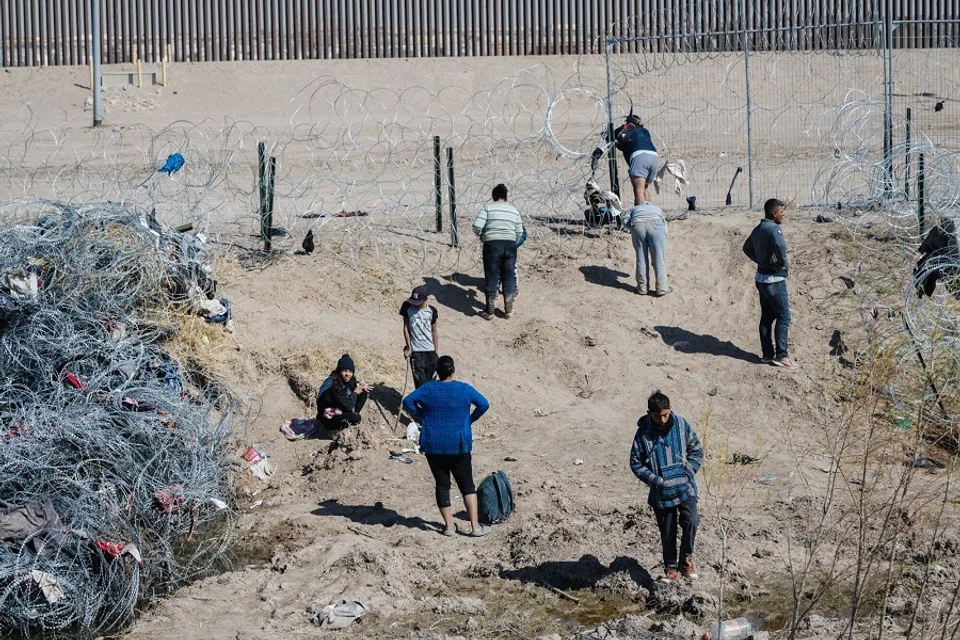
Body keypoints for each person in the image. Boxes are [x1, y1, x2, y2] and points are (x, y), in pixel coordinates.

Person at [402, 356, 491, 537]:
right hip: (458, 444)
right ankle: (475, 527)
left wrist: (423, 416)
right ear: (453, 370)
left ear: (437, 371)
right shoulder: (464, 389)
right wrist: (468, 420)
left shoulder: (428, 388)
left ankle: (449, 527)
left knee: (442, 484)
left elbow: (407, 401)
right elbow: (484, 404)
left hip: (433, 444)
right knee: (467, 485)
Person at [629, 390, 703, 582]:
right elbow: (636, 463)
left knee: (691, 521)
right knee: (668, 532)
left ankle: (686, 562)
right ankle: (671, 569)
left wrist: (689, 471)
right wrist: (656, 480)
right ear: (649, 414)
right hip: (661, 493)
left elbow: (696, 449)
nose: (662, 420)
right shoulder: (643, 433)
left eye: (665, 415)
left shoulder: (681, 424)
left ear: (670, 411)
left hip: (686, 487)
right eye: (657, 416)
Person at [743, 198, 793, 367]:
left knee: (767, 317)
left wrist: (760, 261)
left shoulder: (758, 229)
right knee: (784, 317)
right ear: (774, 213)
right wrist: (780, 264)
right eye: (781, 212)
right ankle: (782, 355)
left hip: (761, 279)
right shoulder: (774, 229)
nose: (783, 215)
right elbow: (780, 248)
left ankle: (766, 354)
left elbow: (746, 248)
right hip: (774, 280)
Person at [472, 183, 524, 320]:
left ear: (493, 196)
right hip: (510, 245)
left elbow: (477, 226)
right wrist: (512, 240)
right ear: (506, 197)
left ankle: (489, 311)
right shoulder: (514, 210)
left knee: (492, 276)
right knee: (509, 275)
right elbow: (519, 231)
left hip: (492, 245)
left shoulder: (488, 208)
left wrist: (483, 236)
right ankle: (509, 309)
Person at [621, 202, 671, 296]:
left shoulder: (633, 209)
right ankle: (662, 288)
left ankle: (642, 288)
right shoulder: (657, 207)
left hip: (637, 224)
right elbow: (663, 223)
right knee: (659, 259)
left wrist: (631, 228)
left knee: (641, 258)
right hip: (656, 223)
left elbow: (624, 220)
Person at [316, 354, 373, 430]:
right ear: (339, 371)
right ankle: (334, 431)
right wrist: (355, 392)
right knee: (355, 418)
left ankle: (350, 418)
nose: (347, 374)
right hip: (329, 418)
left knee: (363, 392)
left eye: (350, 371)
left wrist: (361, 387)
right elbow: (348, 406)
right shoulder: (334, 386)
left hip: (340, 410)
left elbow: (352, 389)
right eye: (344, 371)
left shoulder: (347, 381)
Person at [400, 285, 439, 388]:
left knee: (431, 384)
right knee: (420, 384)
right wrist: (409, 346)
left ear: (425, 299)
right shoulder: (407, 307)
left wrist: (436, 351)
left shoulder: (432, 311)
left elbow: (434, 331)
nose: (415, 305)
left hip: (430, 351)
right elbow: (406, 328)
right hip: (416, 352)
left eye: (418, 303)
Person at [614, 114, 658, 205]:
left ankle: (641, 216)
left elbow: (614, 136)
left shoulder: (627, 129)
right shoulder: (645, 131)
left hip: (640, 157)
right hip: (653, 156)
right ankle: (648, 214)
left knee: (639, 191)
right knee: (644, 188)